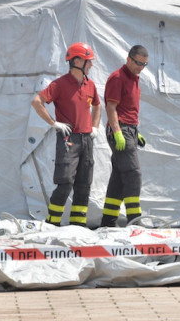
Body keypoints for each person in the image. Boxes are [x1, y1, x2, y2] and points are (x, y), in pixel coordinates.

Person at [31, 42, 101, 227]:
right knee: (65, 182)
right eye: (89, 61)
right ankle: (51, 224)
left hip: (87, 139)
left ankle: (78, 226)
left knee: (84, 184)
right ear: (77, 61)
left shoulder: (90, 84)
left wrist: (95, 127)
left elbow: (97, 105)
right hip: (68, 139)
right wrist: (54, 124)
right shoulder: (59, 84)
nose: (91, 64)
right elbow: (37, 101)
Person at [100, 45, 149, 228]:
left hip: (129, 130)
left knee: (119, 177)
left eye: (144, 64)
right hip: (120, 131)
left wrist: (136, 133)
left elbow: (127, 109)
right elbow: (111, 108)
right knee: (133, 174)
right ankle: (134, 221)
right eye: (138, 63)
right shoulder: (117, 78)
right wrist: (118, 132)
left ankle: (108, 222)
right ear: (128, 59)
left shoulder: (134, 79)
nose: (141, 68)